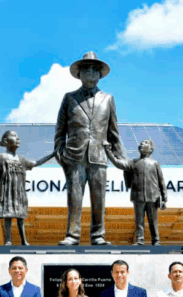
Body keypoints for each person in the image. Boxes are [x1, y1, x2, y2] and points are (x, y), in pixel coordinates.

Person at [54, 51, 125, 246]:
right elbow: (60, 130)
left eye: (95, 70)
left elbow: (114, 132)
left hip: (99, 156)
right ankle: (72, 235)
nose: (91, 73)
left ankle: (98, 235)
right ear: (80, 74)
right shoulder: (69, 98)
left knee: (98, 199)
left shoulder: (108, 99)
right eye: (87, 70)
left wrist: (122, 160)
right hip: (74, 156)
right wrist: (60, 154)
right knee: (74, 199)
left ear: (100, 75)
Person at [0, 130, 55, 246]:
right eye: (14, 136)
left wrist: (52, 154)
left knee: (20, 217)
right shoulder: (1, 157)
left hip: (19, 193)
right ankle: (8, 240)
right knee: (8, 216)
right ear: (6, 141)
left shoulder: (22, 160)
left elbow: (36, 163)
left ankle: (24, 240)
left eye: (18, 136)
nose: (18, 139)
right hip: (7, 192)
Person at [104, 139, 167, 245]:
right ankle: (139, 240)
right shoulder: (133, 163)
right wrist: (108, 152)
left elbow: (162, 182)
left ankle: (156, 240)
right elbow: (118, 164)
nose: (142, 144)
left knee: (153, 220)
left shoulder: (155, 163)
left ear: (151, 149)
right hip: (138, 196)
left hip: (153, 196)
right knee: (139, 221)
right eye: (141, 143)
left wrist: (164, 199)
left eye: (146, 142)